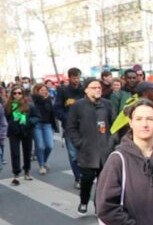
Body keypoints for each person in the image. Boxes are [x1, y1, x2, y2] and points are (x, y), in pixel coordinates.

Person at [67, 79, 116, 214]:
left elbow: (115, 126)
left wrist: (112, 142)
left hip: (105, 150)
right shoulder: (78, 106)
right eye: (94, 87)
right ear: (86, 90)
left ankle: (98, 205)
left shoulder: (107, 104)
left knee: (103, 181)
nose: (98, 90)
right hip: (87, 151)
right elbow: (71, 128)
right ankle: (83, 201)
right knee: (87, 179)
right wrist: (79, 143)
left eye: (99, 87)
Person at [54, 67, 86, 188]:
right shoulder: (63, 91)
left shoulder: (85, 90)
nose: (76, 80)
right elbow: (57, 109)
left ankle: (84, 175)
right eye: (74, 78)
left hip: (84, 126)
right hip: (70, 127)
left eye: (78, 77)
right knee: (73, 154)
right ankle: (78, 178)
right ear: (69, 78)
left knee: (84, 153)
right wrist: (67, 118)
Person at [5, 85, 40, 185]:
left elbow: (37, 117)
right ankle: (16, 173)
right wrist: (11, 124)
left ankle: (27, 171)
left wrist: (29, 122)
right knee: (15, 153)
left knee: (27, 152)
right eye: (15, 93)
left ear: (23, 94)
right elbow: (7, 118)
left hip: (27, 131)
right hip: (14, 132)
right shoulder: (8, 105)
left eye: (19, 93)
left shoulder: (29, 105)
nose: (17, 95)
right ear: (12, 94)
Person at [31, 83, 58, 175]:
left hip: (47, 125)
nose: (44, 91)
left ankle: (44, 160)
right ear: (37, 91)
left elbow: (52, 113)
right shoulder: (33, 100)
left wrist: (55, 126)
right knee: (40, 146)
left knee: (49, 146)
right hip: (37, 125)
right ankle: (41, 165)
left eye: (45, 90)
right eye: (41, 90)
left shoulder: (49, 99)